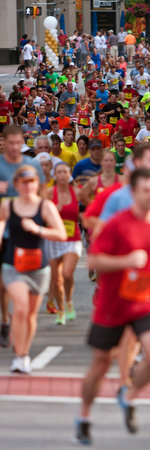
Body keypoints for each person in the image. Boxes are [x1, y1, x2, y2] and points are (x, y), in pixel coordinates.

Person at [75, 168, 150, 444]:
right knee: (100, 364)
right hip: (113, 304)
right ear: (133, 192)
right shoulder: (116, 224)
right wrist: (125, 262)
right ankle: (84, 415)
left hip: (145, 301)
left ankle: (128, 397)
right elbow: (94, 262)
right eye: (146, 190)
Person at [0, 165, 66, 372]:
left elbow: (61, 234)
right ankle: (20, 356)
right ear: (16, 184)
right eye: (24, 182)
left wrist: (37, 229)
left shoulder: (45, 206)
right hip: (13, 265)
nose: (28, 186)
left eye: (32, 182)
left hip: (38, 268)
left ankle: (24, 352)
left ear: (38, 184)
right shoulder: (7, 206)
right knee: (20, 307)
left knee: (29, 315)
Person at [0, 126, 45, 348]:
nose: (15, 147)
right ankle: (6, 320)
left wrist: (40, 222)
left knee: (27, 277)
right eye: (11, 143)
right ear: (4, 142)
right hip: (4, 229)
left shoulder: (33, 164)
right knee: (3, 282)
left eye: (19, 142)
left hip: (28, 229)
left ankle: (22, 319)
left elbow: (43, 191)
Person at [47, 162, 82, 325]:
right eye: (58, 172)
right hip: (54, 240)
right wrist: (53, 211)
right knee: (57, 279)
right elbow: (40, 214)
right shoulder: (49, 193)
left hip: (72, 240)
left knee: (67, 274)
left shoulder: (77, 192)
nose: (61, 175)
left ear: (69, 175)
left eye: (64, 172)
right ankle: (61, 310)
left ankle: (68, 301)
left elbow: (90, 209)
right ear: (55, 175)